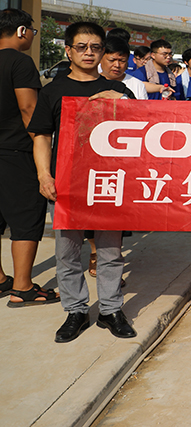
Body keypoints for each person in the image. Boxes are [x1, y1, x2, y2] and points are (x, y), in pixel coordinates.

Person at [28, 22, 135, 343]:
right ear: (68, 51)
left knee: (110, 252)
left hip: (109, 182)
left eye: (95, 47)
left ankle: (111, 310)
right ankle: (75, 310)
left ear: (103, 51)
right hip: (67, 183)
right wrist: (44, 174)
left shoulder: (118, 89)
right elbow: (41, 137)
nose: (89, 53)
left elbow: (143, 126)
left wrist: (119, 100)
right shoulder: (53, 91)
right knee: (68, 252)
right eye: (81, 47)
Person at [0, 9, 59, 306]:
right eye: (33, 31)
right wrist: (41, 145)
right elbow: (29, 109)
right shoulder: (20, 62)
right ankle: (22, 288)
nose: (33, 37)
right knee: (26, 216)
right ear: (21, 31)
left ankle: (0, 279)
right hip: (15, 150)